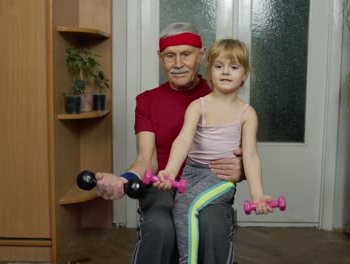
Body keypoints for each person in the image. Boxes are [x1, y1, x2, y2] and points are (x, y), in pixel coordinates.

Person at [95, 22, 244, 264]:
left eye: (186, 54)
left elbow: (243, 152)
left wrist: (242, 168)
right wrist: (123, 180)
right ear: (160, 58)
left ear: (201, 55)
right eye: (169, 56)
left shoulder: (224, 97)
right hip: (163, 186)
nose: (177, 64)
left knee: (212, 226)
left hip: (207, 186)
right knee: (160, 227)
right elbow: (147, 160)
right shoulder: (147, 101)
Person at [155, 38, 273, 264]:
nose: (226, 72)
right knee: (185, 210)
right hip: (192, 172)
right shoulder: (198, 106)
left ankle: (186, 261)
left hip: (220, 177)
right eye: (219, 66)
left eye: (234, 67)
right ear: (209, 72)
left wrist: (257, 193)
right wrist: (170, 170)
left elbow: (250, 155)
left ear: (245, 74)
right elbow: (183, 141)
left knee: (184, 206)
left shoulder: (247, 113)